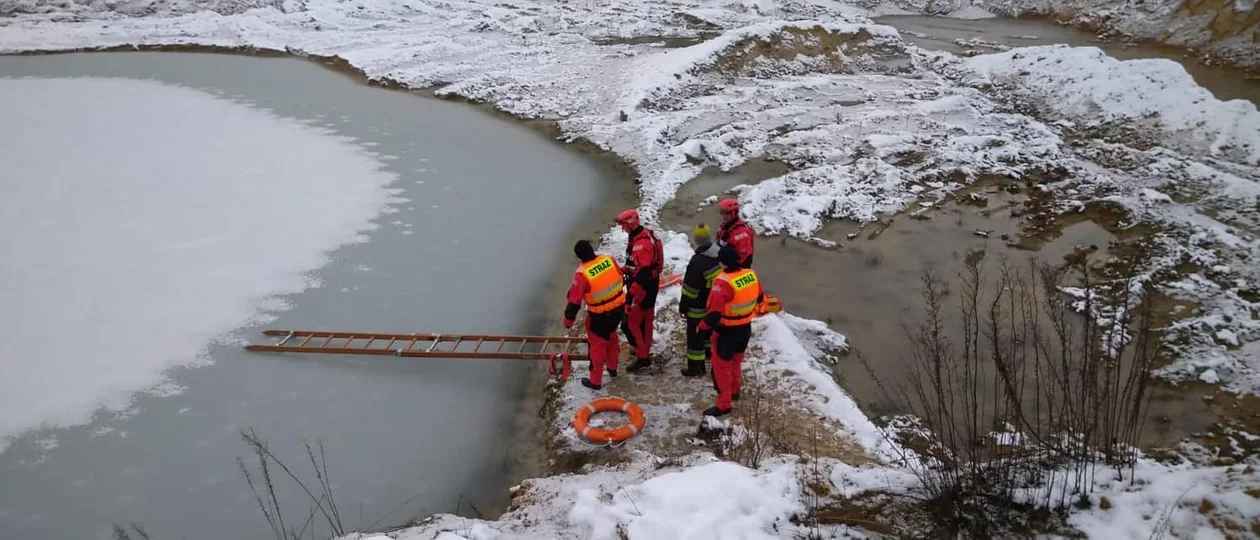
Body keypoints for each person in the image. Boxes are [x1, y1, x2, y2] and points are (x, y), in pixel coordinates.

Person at [698, 244, 763, 416]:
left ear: (723, 263)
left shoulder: (722, 282)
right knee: (736, 363)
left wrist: (701, 328)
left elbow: (713, 314)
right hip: (745, 329)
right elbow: (760, 297)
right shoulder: (751, 274)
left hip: (726, 332)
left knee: (721, 369)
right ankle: (735, 392)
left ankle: (723, 404)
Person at [563, 240, 626, 390]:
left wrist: (568, 321)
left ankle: (595, 381)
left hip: (599, 316)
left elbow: (574, 301)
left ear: (579, 256)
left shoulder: (582, 274)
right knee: (611, 338)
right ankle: (612, 369)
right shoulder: (608, 260)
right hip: (618, 310)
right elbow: (620, 277)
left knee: (596, 348)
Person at [616, 209, 664, 374]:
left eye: (623, 226)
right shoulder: (645, 236)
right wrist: (625, 270)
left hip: (642, 288)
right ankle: (643, 349)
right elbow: (641, 266)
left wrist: (632, 294)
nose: (623, 229)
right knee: (645, 321)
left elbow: (643, 271)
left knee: (630, 324)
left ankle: (642, 357)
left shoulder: (641, 245)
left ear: (630, 224)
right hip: (648, 285)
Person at [678, 223, 721, 378]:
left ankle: (696, 367)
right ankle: (709, 352)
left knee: (694, 337)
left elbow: (690, 290)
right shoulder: (719, 253)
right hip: (714, 303)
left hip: (697, 307)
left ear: (696, 239)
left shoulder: (697, 263)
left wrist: (683, 306)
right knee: (708, 329)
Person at [717, 198, 754, 268]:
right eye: (722, 212)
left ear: (734, 213)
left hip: (734, 269)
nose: (723, 216)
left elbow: (745, 260)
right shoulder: (725, 226)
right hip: (724, 264)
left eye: (726, 213)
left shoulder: (741, 234)